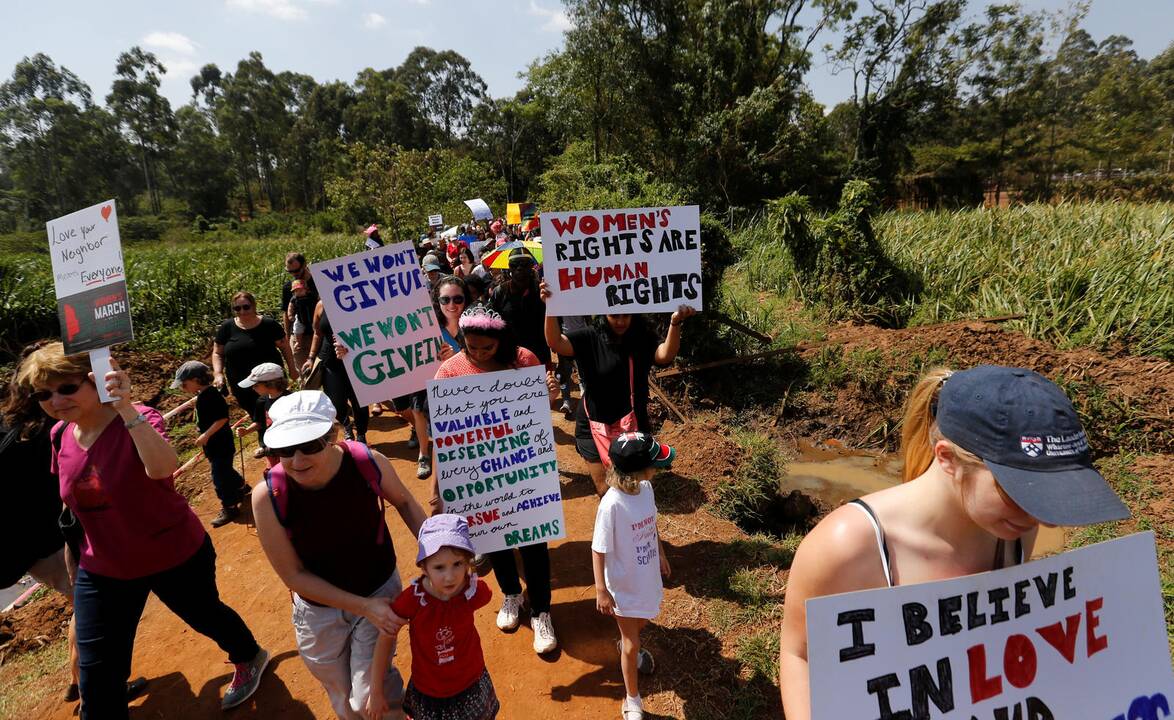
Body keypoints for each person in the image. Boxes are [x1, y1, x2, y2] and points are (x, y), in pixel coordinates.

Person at [777, 365, 1132, 719]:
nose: (1042, 518)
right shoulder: (848, 547)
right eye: (1022, 493)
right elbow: (802, 655)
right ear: (947, 458)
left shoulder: (1015, 529)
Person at [18, 343, 269, 718]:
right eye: (43, 394)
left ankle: (249, 655)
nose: (55, 400)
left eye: (67, 388)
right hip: (102, 569)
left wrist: (123, 407)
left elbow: (163, 467)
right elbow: (73, 507)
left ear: (94, 380)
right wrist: (75, 564)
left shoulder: (139, 418)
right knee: (98, 677)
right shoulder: (59, 436)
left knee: (204, 614)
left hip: (172, 554)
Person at [252, 390, 427, 720]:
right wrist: (362, 606)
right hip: (318, 610)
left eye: (309, 445)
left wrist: (437, 553)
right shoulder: (268, 495)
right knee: (342, 697)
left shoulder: (367, 463)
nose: (297, 460)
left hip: (377, 590)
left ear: (332, 435)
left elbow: (404, 502)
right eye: (285, 449)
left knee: (373, 698)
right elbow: (293, 576)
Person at [433, 306, 561, 654]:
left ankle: (542, 611)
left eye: (485, 348)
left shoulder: (523, 360)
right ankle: (511, 595)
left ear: (501, 341)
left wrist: (548, 393)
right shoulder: (449, 371)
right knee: (493, 538)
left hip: (524, 469)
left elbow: (541, 410)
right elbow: (444, 437)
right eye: (470, 346)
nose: (477, 354)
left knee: (534, 541)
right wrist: (438, 492)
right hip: (481, 478)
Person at [541, 283, 697, 495]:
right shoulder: (589, 337)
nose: (621, 321)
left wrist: (675, 323)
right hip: (592, 425)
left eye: (626, 315)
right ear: (603, 312)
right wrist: (551, 309)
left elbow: (664, 355)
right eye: (614, 316)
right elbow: (556, 343)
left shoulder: (641, 338)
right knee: (606, 490)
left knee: (632, 487)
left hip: (633, 426)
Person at [365, 514, 499, 720]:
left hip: (471, 682)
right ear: (424, 567)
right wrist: (375, 691)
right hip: (430, 691)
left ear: (468, 564)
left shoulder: (471, 592)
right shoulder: (412, 600)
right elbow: (385, 638)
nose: (450, 576)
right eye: (439, 567)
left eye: (458, 564)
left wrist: (470, 581)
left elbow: (485, 594)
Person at [593, 432, 674, 720]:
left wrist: (661, 553)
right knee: (632, 640)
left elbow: (652, 524)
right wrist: (601, 589)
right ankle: (632, 699)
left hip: (646, 575)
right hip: (624, 584)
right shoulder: (611, 505)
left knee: (641, 621)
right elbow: (598, 549)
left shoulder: (646, 490)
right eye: (654, 463)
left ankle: (627, 645)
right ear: (640, 470)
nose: (658, 468)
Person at [173, 361, 248, 528]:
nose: (182, 388)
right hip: (215, 445)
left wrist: (205, 435)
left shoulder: (211, 396)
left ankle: (230, 506)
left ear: (196, 379)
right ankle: (241, 486)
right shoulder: (204, 395)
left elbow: (222, 418)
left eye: (184, 384)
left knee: (219, 477)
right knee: (224, 469)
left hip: (219, 443)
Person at [213, 291, 298, 416]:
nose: (242, 311)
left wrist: (292, 369)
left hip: (270, 381)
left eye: (246, 307)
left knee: (278, 413)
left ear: (253, 306)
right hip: (241, 383)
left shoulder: (269, 325)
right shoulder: (227, 328)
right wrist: (218, 373)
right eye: (237, 308)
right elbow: (217, 353)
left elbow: (285, 347)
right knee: (256, 416)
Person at [306, 300, 370, 444]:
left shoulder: (359, 300)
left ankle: (361, 434)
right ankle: (346, 425)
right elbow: (317, 333)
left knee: (359, 400)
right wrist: (311, 357)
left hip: (357, 360)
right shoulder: (321, 305)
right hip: (330, 360)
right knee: (336, 401)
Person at [489, 250, 549, 368]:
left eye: (524, 264)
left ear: (532, 266)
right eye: (514, 265)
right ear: (509, 268)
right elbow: (492, 325)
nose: (519, 268)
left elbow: (556, 322)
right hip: (509, 356)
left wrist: (561, 363)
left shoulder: (543, 291)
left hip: (539, 355)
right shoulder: (500, 292)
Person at [235, 361, 290, 466]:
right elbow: (260, 422)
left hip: (287, 447)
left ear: (270, 384)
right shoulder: (261, 401)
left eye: (255, 385)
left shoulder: (290, 399)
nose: (253, 388)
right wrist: (246, 431)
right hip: (269, 447)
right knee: (273, 470)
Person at [282, 252, 320, 371]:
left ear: (304, 264)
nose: (294, 274)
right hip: (299, 337)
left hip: (319, 334)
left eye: (297, 270)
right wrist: (287, 338)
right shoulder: (289, 287)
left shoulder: (319, 281)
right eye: (290, 272)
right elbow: (286, 312)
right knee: (304, 374)